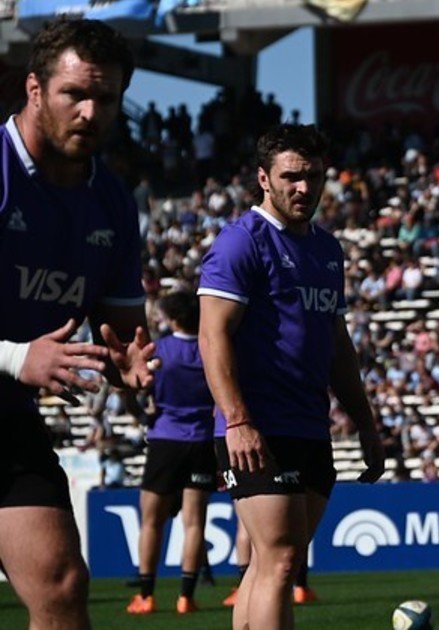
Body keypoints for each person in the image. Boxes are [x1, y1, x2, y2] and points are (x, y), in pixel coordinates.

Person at [0, 18, 156, 629]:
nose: (92, 111)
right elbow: (25, 357)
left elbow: (121, 332)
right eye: (75, 94)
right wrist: (16, 357)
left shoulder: (113, 202)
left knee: (62, 585)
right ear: (35, 89)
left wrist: (125, 365)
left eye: (108, 98)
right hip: (10, 379)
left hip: (7, 415)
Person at [198, 124, 385, 630]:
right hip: (257, 427)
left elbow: (337, 346)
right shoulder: (241, 243)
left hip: (310, 426)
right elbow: (212, 335)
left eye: (315, 177)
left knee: (270, 564)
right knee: (281, 562)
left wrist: (365, 424)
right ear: (264, 178)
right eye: (292, 177)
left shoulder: (327, 250)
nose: (305, 188)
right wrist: (237, 420)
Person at [126, 290, 215, 615]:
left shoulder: (159, 350)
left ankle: (146, 596)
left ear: (173, 317)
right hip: (203, 441)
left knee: (151, 522)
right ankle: (185, 597)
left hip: (165, 440)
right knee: (194, 524)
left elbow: (132, 386)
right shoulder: (211, 348)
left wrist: (139, 414)